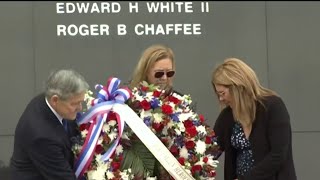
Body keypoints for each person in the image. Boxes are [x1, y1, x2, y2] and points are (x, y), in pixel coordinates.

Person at [211, 58, 297, 180]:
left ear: (238, 88)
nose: (220, 99)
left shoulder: (273, 106)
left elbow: (278, 155)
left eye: (222, 93)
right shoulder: (227, 116)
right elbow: (211, 150)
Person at [10, 69, 89, 180]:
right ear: (55, 100)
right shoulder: (42, 136)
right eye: (75, 103)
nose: (80, 108)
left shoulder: (48, 99)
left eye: (81, 102)